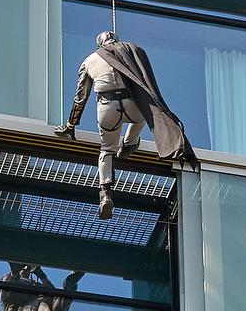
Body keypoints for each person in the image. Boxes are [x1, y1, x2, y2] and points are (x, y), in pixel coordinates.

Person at [55, 30, 195, 218]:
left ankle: (105, 193)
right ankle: (129, 144)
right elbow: (146, 82)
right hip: (133, 104)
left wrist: (71, 125)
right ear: (115, 40)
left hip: (107, 108)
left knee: (106, 150)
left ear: (99, 44)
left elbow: (81, 97)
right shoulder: (132, 50)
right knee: (146, 114)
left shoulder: (89, 60)